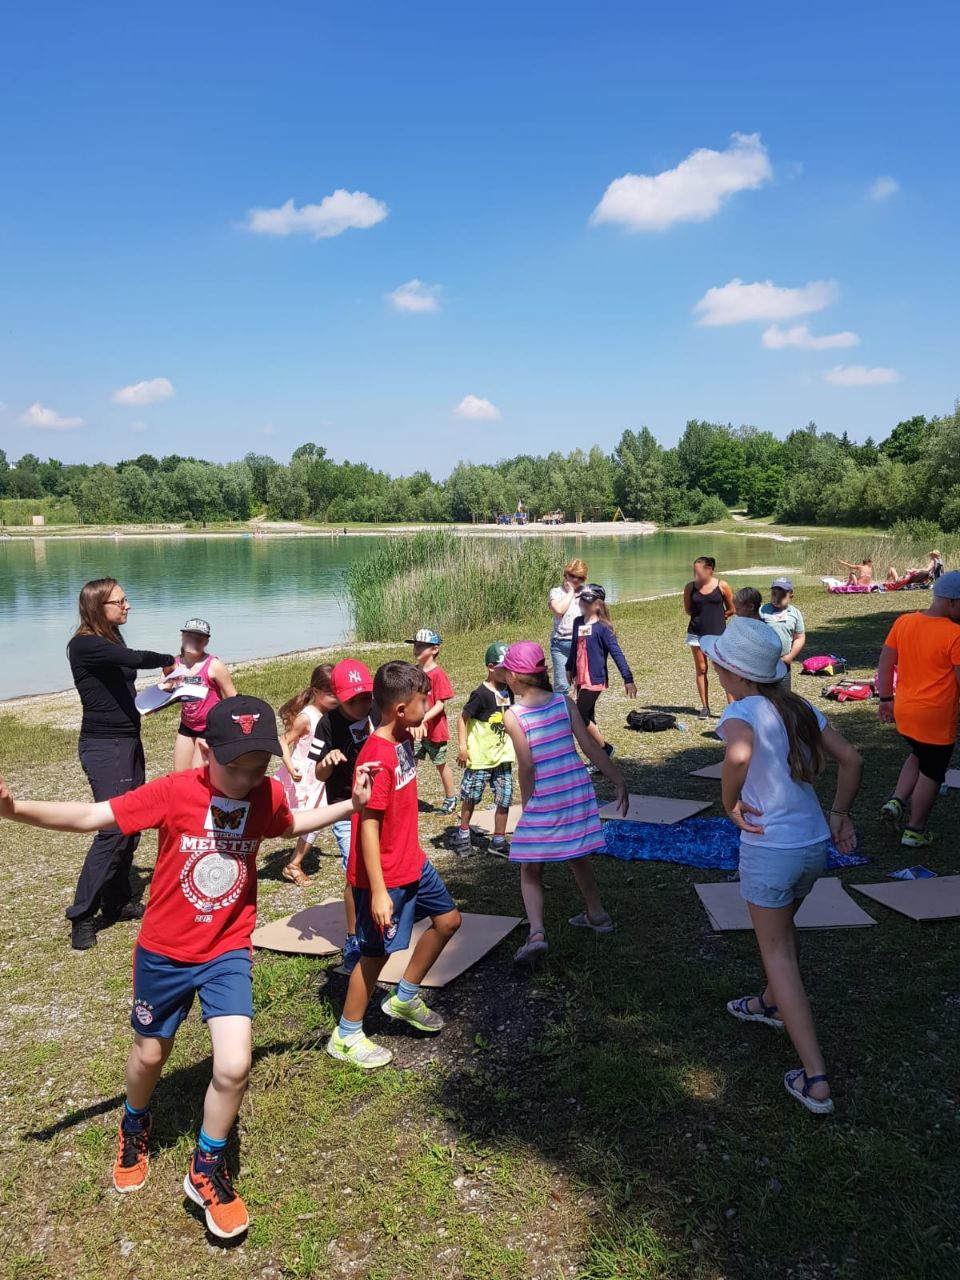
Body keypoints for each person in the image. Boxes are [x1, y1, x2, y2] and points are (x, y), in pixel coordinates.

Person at [0, 695, 377, 1238]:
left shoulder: (266, 792)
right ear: (205, 749)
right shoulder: (175, 792)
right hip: (165, 953)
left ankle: (206, 1167)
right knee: (150, 1054)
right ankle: (135, 1121)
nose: (247, 778)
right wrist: (15, 810)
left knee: (233, 1066)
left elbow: (290, 823)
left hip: (226, 950)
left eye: (258, 766)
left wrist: (349, 806)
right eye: (235, 766)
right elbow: (91, 816)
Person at [700, 619, 863, 1115]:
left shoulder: (738, 712)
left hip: (772, 850)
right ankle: (769, 1003)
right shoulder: (799, 706)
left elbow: (740, 754)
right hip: (813, 844)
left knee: (778, 951)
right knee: (785, 930)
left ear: (732, 671)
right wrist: (840, 814)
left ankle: (815, 1079)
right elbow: (852, 759)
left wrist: (729, 802)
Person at [327, 662, 461, 1070]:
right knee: (374, 956)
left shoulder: (399, 736)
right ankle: (346, 1035)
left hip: (412, 861)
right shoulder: (379, 757)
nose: (430, 703)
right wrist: (380, 891)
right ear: (401, 709)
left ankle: (403, 998)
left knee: (448, 921)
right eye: (424, 700)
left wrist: (416, 729)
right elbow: (367, 826)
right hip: (385, 874)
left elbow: (407, 731)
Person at [497, 641, 628, 964]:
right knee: (577, 852)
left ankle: (537, 933)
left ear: (513, 676)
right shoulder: (564, 702)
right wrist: (617, 778)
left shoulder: (513, 716)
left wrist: (528, 805)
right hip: (575, 790)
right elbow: (590, 747)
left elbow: (526, 766)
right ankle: (597, 915)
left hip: (545, 795)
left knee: (531, 867)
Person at [66, 578, 176, 951]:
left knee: (133, 820)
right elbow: (133, 662)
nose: (127, 605)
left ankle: (117, 901)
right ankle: (82, 915)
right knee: (112, 827)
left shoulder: (111, 638)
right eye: (120, 601)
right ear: (99, 607)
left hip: (128, 740)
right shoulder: (84, 644)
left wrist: (164, 695)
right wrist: (168, 660)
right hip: (103, 744)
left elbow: (123, 687)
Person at [876, 571, 960, 847]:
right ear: (952, 602)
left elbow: (886, 663)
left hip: (905, 710)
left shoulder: (904, 622)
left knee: (918, 753)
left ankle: (897, 801)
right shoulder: (955, 634)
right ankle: (915, 830)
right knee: (933, 771)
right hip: (935, 716)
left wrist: (886, 699)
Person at [307, 659, 377, 971]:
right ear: (339, 696)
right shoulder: (327, 723)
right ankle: (353, 937)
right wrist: (328, 761)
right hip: (345, 808)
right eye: (354, 700)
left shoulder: (375, 710)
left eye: (366, 697)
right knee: (355, 871)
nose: (362, 705)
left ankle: (380, 920)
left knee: (379, 864)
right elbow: (318, 774)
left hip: (378, 803)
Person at [276, 664, 339, 885]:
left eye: (338, 692)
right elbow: (283, 741)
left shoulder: (333, 714)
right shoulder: (307, 717)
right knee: (279, 820)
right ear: (316, 691)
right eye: (331, 694)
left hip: (320, 778)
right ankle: (244, 851)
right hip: (300, 777)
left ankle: (294, 864)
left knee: (316, 821)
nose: (336, 698)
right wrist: (290, 768)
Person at [454, 642, 516, 858]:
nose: (509, 672)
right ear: (491, 667)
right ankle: (463, 834)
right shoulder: (480, 694)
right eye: (505, 668)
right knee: (471, 796)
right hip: (480, 757)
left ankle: (498, 840)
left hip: (503, 756)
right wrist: (463, 747)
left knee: (505, 797)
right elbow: (462, 719)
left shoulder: (510, 691)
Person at [566, 584, 637, 770]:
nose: (583, 604)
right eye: (582, 600)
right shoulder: (578, 623)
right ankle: (598, 756)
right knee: (588, 717)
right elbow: (574, 648)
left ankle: (605, 750)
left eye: (587, 602)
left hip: (595, 680)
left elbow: (617, 654)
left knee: (579, 716)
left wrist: (627, 678)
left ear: (597, 605)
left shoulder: (603, 628)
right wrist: (569, 668)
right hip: (580, 679)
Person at [172, 619, 237, 773]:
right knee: (180, 774)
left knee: (198, 773)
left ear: (206, 642)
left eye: (199, 639)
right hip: (187, 725)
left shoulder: (214, 665)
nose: (194, 641)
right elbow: (161, 693)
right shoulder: (174, 664)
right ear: (182, 636)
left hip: (209, 726)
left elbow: (233, 698)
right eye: (190, 636)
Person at [407, 628, 457, 814]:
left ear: (434, 649)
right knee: (411, 761)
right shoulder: (413, 671)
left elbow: (440, 705)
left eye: (421, 646)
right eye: (415, 645)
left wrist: (422, 720)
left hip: (434, 730)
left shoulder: (437, 674)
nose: (416, 649)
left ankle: (451, 798)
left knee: (440, 763)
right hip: (415, 729)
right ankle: (407, 796)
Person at [683, 557, 734, 719]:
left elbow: (731, 609)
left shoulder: (722, 586)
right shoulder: (690, 587)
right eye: (694, 571)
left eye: (698, 571)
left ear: (709, 569)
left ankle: (732, 707)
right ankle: (705, 707)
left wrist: (720, 617)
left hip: (719, 635)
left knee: (724, 670)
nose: (695, 574)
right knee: (701, 669)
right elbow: (688, 610)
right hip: (696, 634)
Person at [547, 558, 588, 694]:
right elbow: (558, 610)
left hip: (582, 642)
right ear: (565, 574)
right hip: (560, 643)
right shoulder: (556, 592)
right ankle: (561, 713)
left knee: (583, 683)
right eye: (570, 575)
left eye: (578, 577)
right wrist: (571, 593)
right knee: (561, 685)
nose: (573, 579)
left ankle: (583, 714)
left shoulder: (587, 592)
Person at [759, 578, 807, 689]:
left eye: (782, 595)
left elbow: (799, 637)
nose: (777, 598)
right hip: (764, 663)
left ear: (791, 596)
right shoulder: (762, 611)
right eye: (774, 594)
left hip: (783, 663)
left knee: (783, 696)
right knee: (765, 697)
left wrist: (790, 656)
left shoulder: (795, 613)